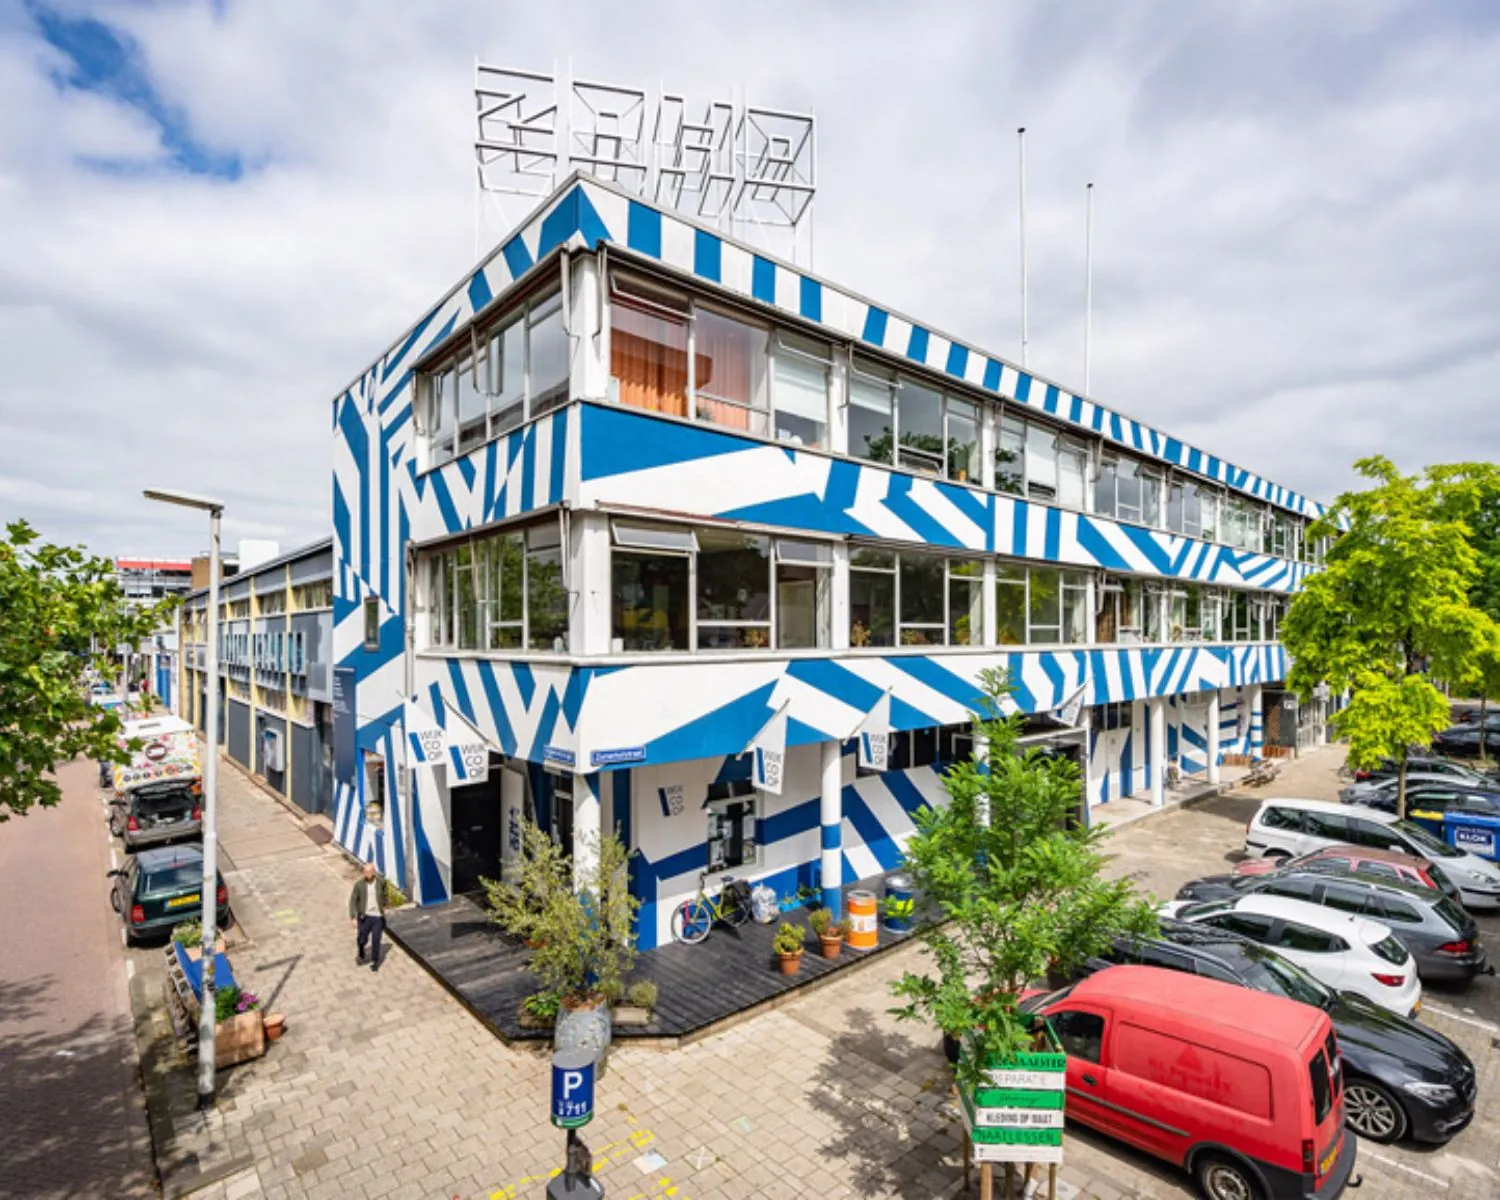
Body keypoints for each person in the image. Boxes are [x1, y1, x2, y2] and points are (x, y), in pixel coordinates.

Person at [348, 862, 386, 971]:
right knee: (362, 939)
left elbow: (384, 894)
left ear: (374, 872)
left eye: (369, 872)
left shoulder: (380, 882)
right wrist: (353, 917)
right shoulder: (359, 885)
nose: (367, 874)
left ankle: (375, 961)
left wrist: (384, 905)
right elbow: (353, 901)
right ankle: (361, 948)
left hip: (377, 916)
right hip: (364, 917)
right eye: (365, 872)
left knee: (376, 938)